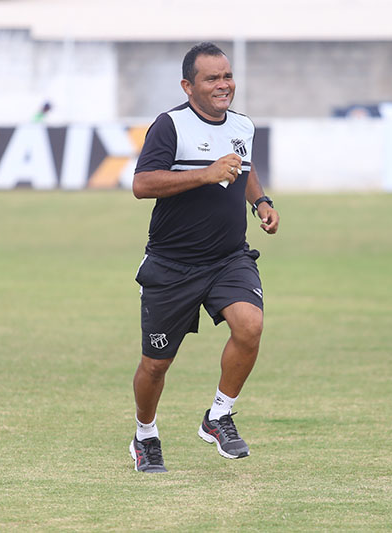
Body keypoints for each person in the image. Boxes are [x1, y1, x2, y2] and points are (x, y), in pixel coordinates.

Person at [129, 42, 280, 473]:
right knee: (155, 365)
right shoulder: (170, 125)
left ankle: (219, 415)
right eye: (211, 78)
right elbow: (142, 185)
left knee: (250, 326)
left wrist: (262, 202)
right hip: (172, 264)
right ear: (188, 85)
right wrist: (205, 174)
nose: (223, 85)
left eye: (227, 76)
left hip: (228, 257)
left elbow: (243, 169)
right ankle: (145, 435)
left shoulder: (243, 126)